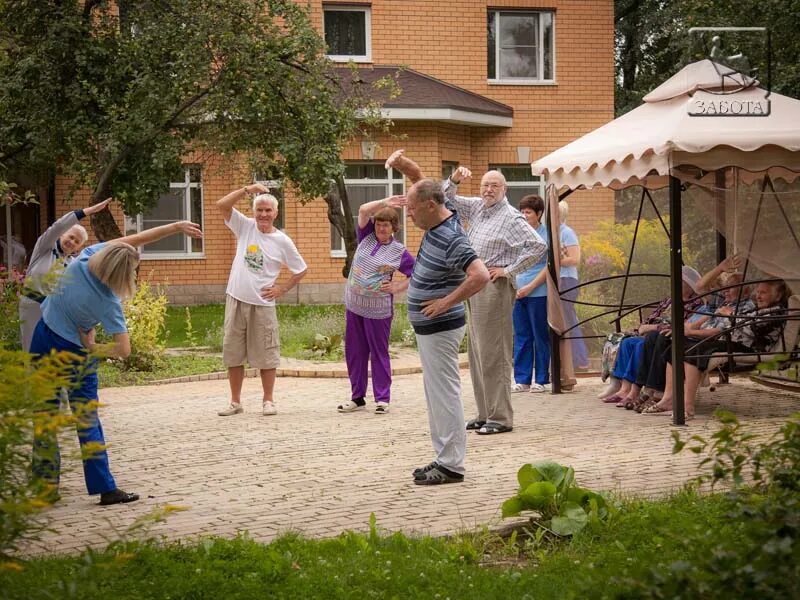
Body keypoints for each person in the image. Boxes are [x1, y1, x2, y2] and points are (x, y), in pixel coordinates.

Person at [30, 219, 203, 505]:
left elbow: (134, 239)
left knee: (45, 417)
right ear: (124, 273)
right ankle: (105, 488)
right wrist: (95, 346)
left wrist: (174, 227)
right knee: (87, 420)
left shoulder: (84, 258)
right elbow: (123, 350)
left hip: (42, 337)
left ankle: (45, 488)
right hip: (75, 354)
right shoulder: (108, 302)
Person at [386, 151, 545, 436]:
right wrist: (455, 180)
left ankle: (500, 416)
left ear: (504, 190)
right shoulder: (479, 208)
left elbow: (537, 246)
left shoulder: (511, 216)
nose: (488, 190)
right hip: (474, 282)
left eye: (494, 185)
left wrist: (509, 270)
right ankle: (485, 412)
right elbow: (444, 200)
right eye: (484, 184)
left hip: (493, 285)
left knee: (494, 351)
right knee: (477, 351)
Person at [405, 178, 489, 485]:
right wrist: (403, 165)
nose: (409, 214)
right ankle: (443, 457)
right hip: (431, 329)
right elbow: (420, 179)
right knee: (435, 394)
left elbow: (479, 275)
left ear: (430, 205)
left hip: (441, 327)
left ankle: (452, 465)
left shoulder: (453, 237)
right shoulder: (440, 217)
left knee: (444, 395)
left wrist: (445, 302)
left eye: (412, 209)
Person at [216, 184, 307, 417]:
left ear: (276, 213)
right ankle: (235, 402)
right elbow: (222, 205)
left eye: (268, 210)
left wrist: (281, 289)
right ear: (254, 212)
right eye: (260, 210)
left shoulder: (282, 241)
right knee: (233, 353)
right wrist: (246, 190)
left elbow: (300, 269)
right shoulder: (245, 226)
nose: (263, 215)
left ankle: (268, 400)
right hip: (236, 300)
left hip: (263, 305)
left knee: (267, 355)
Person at [648, 279, 787, 418]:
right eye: (757, 292)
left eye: (763, 292)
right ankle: (667, 399)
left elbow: (752, 329)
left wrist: (730, 315)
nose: (758, 296)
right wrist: (725, 317)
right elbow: (726, 324)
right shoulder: (758, 309)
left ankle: (687, 407)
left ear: (778, 295)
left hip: (748, 348)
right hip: (730, 342)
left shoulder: (778, 312)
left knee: (694, 350)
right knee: (677, 346)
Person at [337, 195, 415, 415]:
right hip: (354, 306)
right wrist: (386, 202)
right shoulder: (366, 237)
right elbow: (362, 209)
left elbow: (416, 273)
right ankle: (357, 397)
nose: (381, 228)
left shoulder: (399, 251)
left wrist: (397, 288)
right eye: (379, 224)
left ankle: (382, 399)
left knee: (378, 352)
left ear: (393, 228)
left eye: (386, 225)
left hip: (378, 310)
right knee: (355, 352)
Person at [601, 266, 704, 405]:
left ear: (690, 286)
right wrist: (645, 327)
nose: (675, 284)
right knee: (624, 342)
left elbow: (683, 325)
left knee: (639, 345)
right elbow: (649, 320)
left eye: (680, 282)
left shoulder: (696, 303)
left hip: (663, 333)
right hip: (650, 332)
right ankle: (621, 387)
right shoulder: (669, 300)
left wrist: (654, 327)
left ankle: (637, 390)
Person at [19, 198, 111, 352]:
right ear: (62, 235)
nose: (72, 242)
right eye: (71, 236)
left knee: (53, 352)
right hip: (32, 306)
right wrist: (89, 211)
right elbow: (59, 226)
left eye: (77, 241)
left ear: (79, 247)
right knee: (31, 350)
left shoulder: (72, 264)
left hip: (55, 312)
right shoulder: (44, 248)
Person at [511, 195, 550, 393]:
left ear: (539, 214)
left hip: (538, 293)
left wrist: (531, 287)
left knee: (539, 335)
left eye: (528, 212)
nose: (524, 216)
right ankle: (522, 378)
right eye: (522, 212)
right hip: (518, 293)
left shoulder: (546, 235)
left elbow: (548, 267)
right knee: (521, 336)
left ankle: (541, 378)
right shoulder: (517, 234)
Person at [557, 201, 590, 371]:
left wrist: (555, 261)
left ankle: (580, 360)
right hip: (557, 280)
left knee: (569, 319)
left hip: (567, 280)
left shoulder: (567, 233)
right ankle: (567, 360)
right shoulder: (552, 232)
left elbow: (575, 259)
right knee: (562, 320)